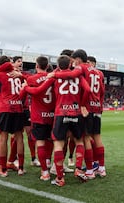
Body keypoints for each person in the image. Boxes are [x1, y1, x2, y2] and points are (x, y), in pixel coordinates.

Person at [25, 54, 91, 187]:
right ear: (70, 64)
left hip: (61, 113)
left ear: (58, 65)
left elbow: (39, 90)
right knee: (79, 141)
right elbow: (88, 90)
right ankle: (78, 169)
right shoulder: (78, 75)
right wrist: (82, 104)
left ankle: (60, 178)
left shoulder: (54, 76)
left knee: (58, 144)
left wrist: (26, 87)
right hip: (76, 112)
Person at [0, 55, 25, 177]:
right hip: (18, 107)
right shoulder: (18, 74)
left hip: (5, 108)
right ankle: (21, 168)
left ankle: (3, 169)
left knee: (3, 138)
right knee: (19, 138)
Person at [19, 56, 55, 181]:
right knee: (50, 140)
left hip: (38, 116)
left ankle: (45, 172)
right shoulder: (53, 78)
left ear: (36, 66)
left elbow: (21, 96)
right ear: (47, 66)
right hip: (52, 115)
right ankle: (49, 163)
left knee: (40, 142)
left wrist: (25, 86)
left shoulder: (32, 79)